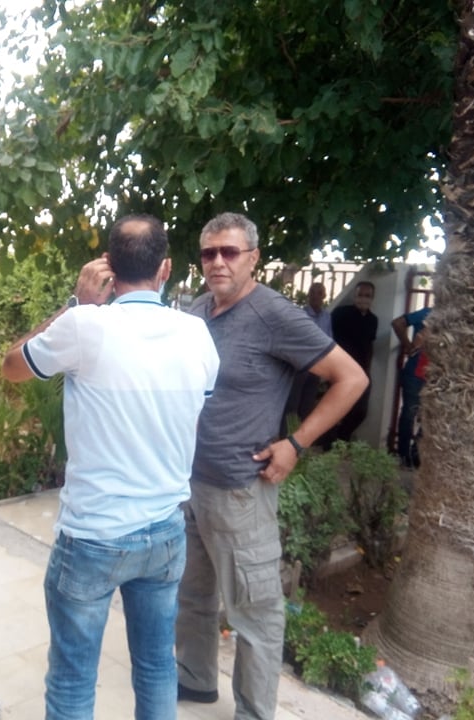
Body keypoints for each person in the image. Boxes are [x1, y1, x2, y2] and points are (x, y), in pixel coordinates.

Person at [2, 214, 220, 720]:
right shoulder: (197, 334)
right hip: (165, 531)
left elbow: (11, 367)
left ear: (107, 267)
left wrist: (75, 304)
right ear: (166, 269)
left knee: (73, 679)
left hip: (94, 536)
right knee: (157, 665)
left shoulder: (84, 325)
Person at [175, 212, 367, 720]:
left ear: (253, 258)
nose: (218, 261)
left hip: (241, 490)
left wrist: (296, 443)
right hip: (189, 484)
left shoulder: (274, 315)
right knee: (192, 595)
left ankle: (254, 712)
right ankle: (195, 678)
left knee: (254, 612)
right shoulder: (197, 311)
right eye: (209, 253)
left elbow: (351, 378)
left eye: (229, 252)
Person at [330, 280, 379, 442]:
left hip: (362, 370)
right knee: (337, 408)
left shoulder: (373, 320)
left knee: (360, 411)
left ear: (372, 298)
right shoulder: (340, 314)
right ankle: (332, 443)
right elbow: (329, 339)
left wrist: (368, 370)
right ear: (354, 296)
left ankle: (342, 438)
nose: (363, 298)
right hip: (341, 369)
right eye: (360, 295)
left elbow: (370, 344)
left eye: (367, 295)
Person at [284, 281, 333, 424]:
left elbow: (329, 339)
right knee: (293, 403)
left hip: (318, 365)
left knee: (308, 404)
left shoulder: (326, 317)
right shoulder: (300, 314)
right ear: (308, 295)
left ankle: (302, 434)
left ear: (324, 296)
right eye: (313, 292)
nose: (316, 296)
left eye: (319, 293)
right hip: (300, 364)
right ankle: (288, 432)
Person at [392, 306, 432, 468]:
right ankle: (404, 454)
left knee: (428, 416)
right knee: (410, 413)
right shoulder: (427, 313)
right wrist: (408, 346)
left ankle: (414, 454)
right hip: (416, 373)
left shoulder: (451, 318)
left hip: (434, 375)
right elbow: (397, 323)